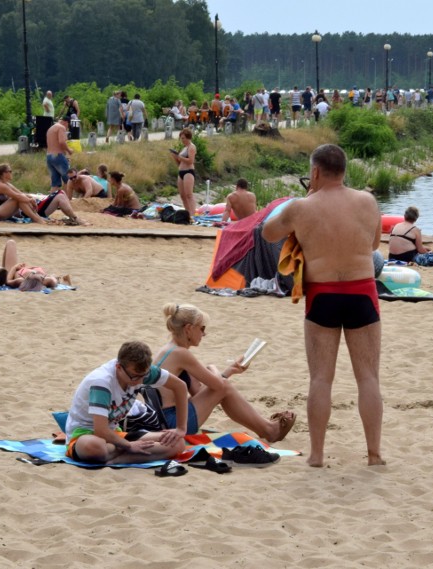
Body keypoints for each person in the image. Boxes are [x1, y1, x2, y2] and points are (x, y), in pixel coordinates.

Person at [262, 143, 385, 467]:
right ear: (344, 171)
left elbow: (268, 233)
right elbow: (373, 244)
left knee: (321, 379)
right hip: (362, 292)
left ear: (314, 171)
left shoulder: (300, 207)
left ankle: (317, 455)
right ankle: (374, 454)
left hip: (322, 295)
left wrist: (296, 205)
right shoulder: (368, 201)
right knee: (368, 378)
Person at [150, 303, 296, 442]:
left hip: (162, 420)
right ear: (188, 328)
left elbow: (200, 392)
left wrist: (230, 370)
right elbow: (219, 386)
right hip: (172, 424)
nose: (204, 333)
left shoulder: (169, 350)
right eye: (202, 328)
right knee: (224, 386)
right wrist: (213, 368)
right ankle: (269, 430)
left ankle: (266, 427)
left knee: (223, 386)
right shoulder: (181, 354)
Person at [65, 341, 188, 465]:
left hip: (114, 435)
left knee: (178, 443)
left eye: (143, 376)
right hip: (84, 435)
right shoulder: (101, 382)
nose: (139, 381)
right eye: (134, 377)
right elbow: (100, 431)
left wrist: (181, 428)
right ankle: (125, 453)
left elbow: (180, 387)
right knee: (94, 447)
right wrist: (129, 446)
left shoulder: (141, 372)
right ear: (118, 367)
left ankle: (117, 459)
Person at [171, 127, 197, 218]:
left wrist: (180, 157)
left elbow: (190, 160)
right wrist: (175, 157)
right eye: (181, 138)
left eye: (183, 138)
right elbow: (179, 162)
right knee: (182, 195)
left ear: (188, 137)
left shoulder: (191, 147)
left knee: (189, 194)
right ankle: (187, 213)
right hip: (181, 171)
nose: (182, 140)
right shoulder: (184, 148)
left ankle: (193, 214)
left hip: (188, 172)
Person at [46, 115, 74, 191]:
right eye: (68, 124)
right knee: (68, 180)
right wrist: (69, 150)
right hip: (58, 156)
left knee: (55, 183)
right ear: (66, 122)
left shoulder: (51, 128)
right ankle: (67, 200)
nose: (67, 127)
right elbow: (61, 142)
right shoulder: (61, 127)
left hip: (49, 156)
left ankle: (52, 201)